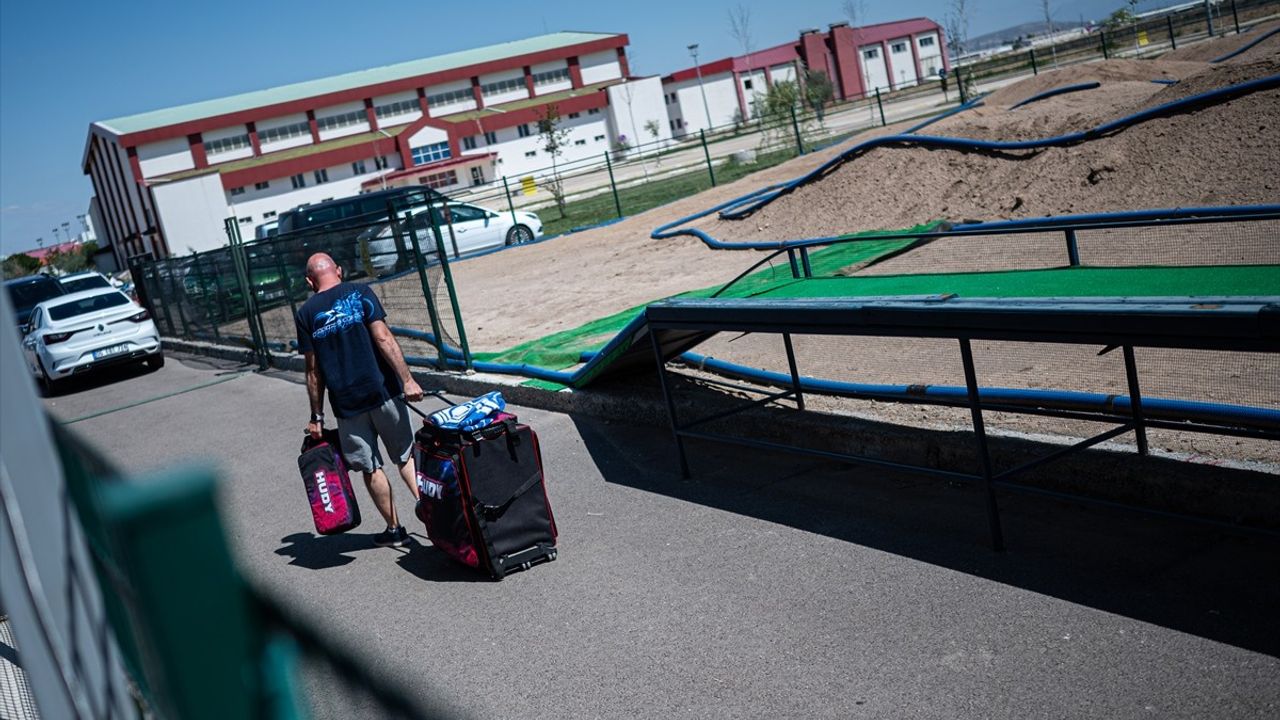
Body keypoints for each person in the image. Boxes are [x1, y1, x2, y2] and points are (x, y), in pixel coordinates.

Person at [295, 253, 424, 547]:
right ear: (338, 270)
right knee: (405, 456)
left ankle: (395, 529)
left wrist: (317, 417)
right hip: (384, 392)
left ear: (309, 281)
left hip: (348, 406)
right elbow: (384, 338)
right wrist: (407, 380)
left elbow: (313, 371)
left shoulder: (306, 314)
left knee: (370, 467)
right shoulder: (360, 292)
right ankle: (429, 509)